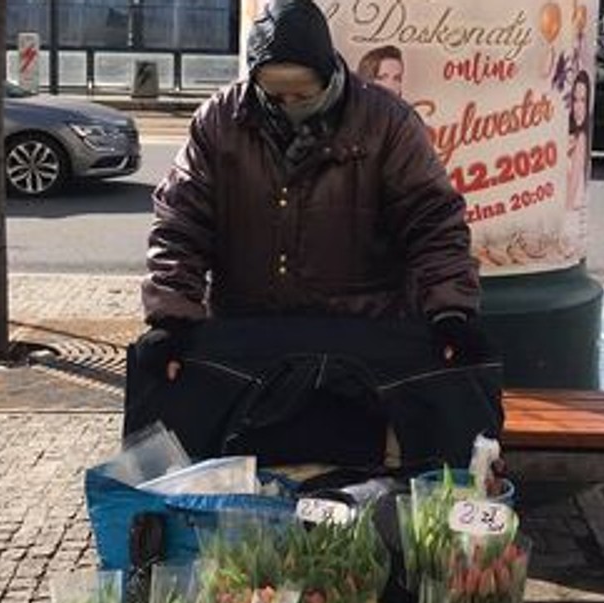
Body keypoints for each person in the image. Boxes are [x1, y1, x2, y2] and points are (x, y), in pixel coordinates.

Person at [137, 0, 489, 385]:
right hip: (248, 335)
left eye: (303, 95)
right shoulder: (220, 120)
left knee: (345, 444)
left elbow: (433, 221)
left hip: (360, 337)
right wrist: (172, 317)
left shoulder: (387, 123)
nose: (289, 107)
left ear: (328, 76)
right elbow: (181, 224)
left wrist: (450, 310)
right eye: (273, 96)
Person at [566, 69, 591, 211]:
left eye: (583, 100)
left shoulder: (581, 138)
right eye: (574, 100)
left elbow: (574, 182)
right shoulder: (571, 135)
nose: (578, 107)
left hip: (570, 210)